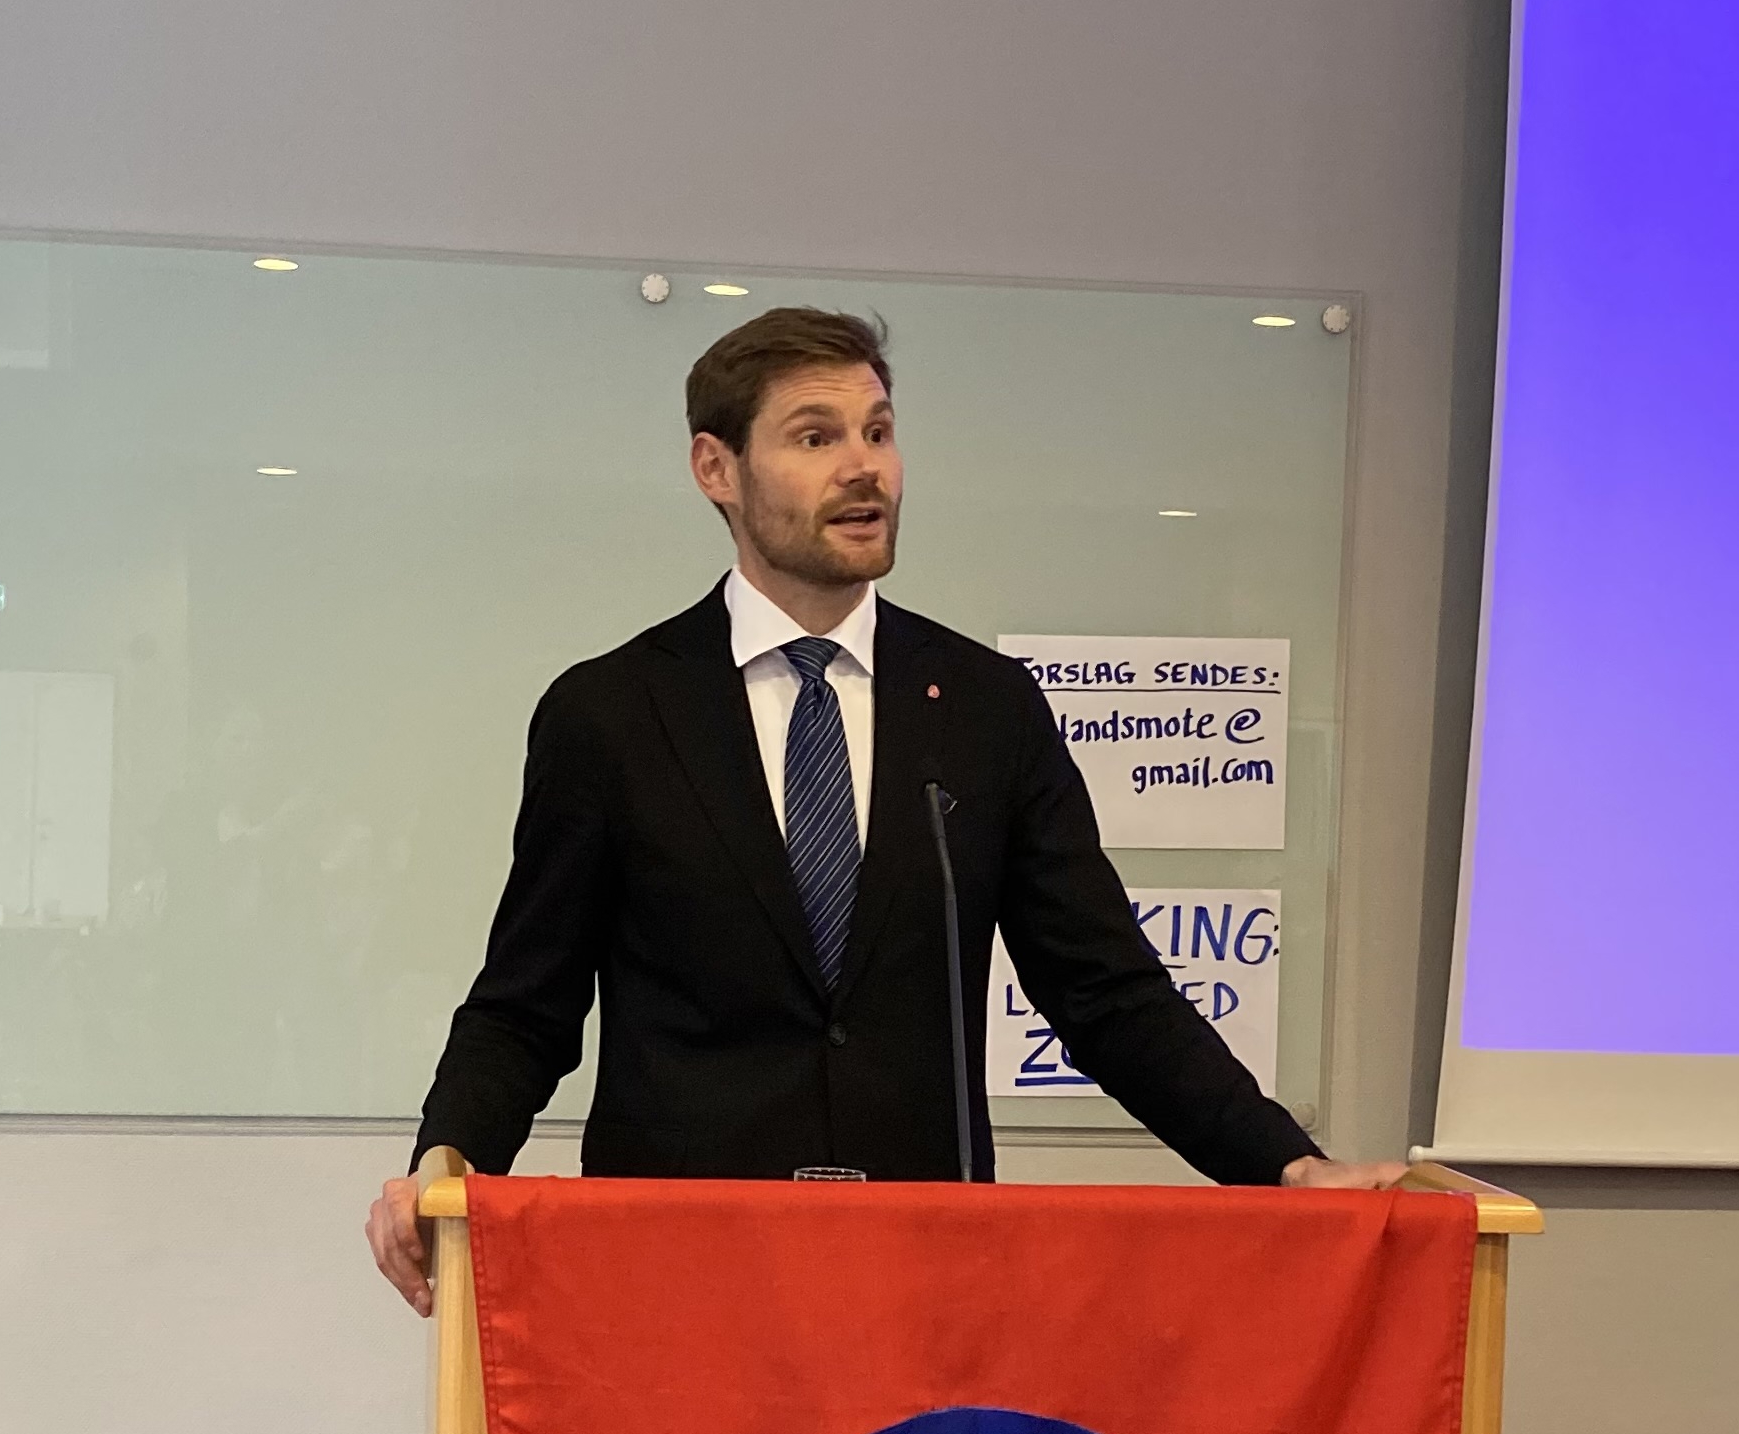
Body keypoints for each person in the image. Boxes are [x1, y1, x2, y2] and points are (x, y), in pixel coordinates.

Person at [368, 308, 1402, 1313]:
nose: (864, 468)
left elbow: (1105, 993)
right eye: (815, 437)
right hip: (679, 1278)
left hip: (924, 1276)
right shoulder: (613, 713)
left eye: (878, 432)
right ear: (715, 469)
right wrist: (442, 1166)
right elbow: (527, 1004)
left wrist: (1283, 1164)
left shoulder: (985, 709)